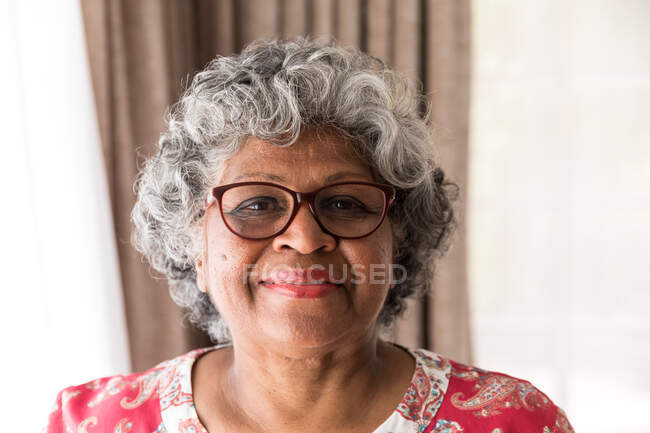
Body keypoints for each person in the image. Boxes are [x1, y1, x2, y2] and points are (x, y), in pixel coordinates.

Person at [45, 37, 574, 433]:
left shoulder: (512, 422)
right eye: (256, 204)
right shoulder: (93, 423)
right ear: (195, 249)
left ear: (400, 241)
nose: (303, 237)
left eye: (344, 203)